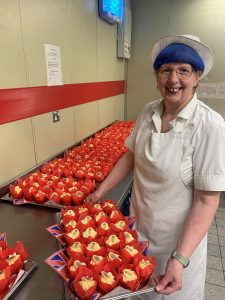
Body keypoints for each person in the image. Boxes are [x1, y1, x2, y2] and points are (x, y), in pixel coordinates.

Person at [86, 34, 225, 299]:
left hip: (180, 246)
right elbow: (130, 157)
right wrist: (101, 191)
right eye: (166, 71)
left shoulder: (210, 125)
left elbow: (207, 201)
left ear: (197, 77)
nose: (174, 80)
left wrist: (180, 259)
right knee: (136, 291)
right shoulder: (148, 112)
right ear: (157, 77)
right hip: (138, 235)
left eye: (183, 71)